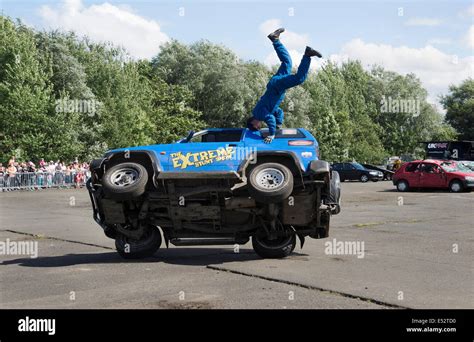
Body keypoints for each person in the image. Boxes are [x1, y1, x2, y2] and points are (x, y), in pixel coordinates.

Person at [247, 28, 322, 143]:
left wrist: (272, 134)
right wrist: (279, 125)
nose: (260, 126)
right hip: (275, 84)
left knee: (299, 78)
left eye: (257, 126)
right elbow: (278, 111)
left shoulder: (259, 114)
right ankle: (275, 39)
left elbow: (270, 118)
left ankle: (307, 55)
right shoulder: (263, 111)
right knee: (287, 62)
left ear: (253, 122)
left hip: (277, 86)